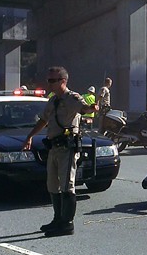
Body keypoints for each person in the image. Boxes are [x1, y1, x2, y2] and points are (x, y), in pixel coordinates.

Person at [23, 66, 98, 237]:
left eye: (52, 80)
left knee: (67, 185)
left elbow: (85, 108)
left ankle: (67, 224)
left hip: (68, 148)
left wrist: (93, 108)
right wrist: (29, 136)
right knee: (52, 184)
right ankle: (57, 219)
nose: (48, 83)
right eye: (48, 79)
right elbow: (44, 120)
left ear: (63, 81)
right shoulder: (53, 100)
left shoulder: (72, 98)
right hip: (54, 147)